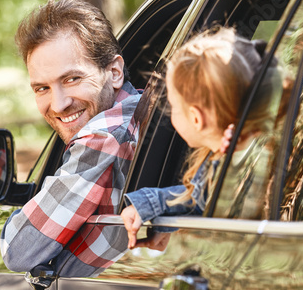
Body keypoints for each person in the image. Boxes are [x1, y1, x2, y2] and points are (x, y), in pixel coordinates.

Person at [0, 0, 142, 276]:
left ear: (114, 72)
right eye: (42, 88)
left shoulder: (103, 136)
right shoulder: (138, 110)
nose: (58, 104)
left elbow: (18, 250)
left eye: (71, 79)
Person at [121, 27, 289, 250]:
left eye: (173, 106)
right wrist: (150, 207)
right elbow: (199, 200)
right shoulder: (227, 158)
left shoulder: (237, 165)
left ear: (196, 118)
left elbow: (214, 206)